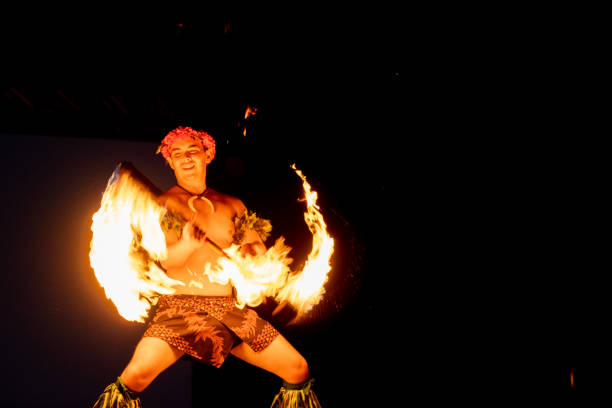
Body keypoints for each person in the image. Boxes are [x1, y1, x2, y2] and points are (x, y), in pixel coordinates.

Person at [92, 126, 321, 407]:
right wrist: (187, 243)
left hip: (230, 312)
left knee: (297, 368)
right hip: (180, 310)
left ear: (207, 155)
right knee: (135, 375)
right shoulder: (163, 206)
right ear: (171, 162)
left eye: (193, 152)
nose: (186, 159)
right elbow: (163, 264)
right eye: (178, 155)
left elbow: (255, 246)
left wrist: (251, 251)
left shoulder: (231, 204)